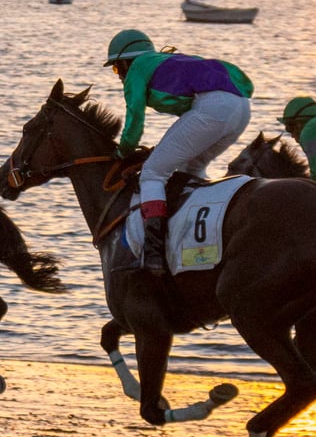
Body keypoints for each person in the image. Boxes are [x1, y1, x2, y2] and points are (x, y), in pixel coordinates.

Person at [104, 29, 253, 275]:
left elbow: (135, 118)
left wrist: (123, 152)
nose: (119, 76)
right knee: (190, 169)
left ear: (126, 62)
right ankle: (199, 239)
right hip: (241, 107)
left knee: (152, 173)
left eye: (116, 69)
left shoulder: (137, 68)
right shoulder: (166, 60)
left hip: (212, 108)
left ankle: (153, 253)